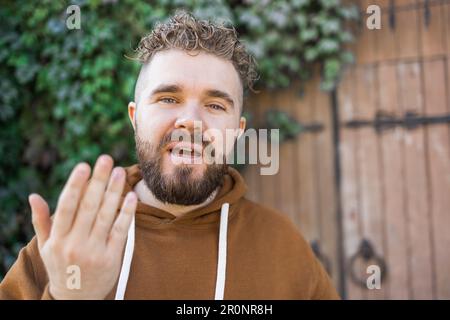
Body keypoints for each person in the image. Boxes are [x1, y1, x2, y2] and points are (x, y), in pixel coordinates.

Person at [0, 11, 339, 300]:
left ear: (237, 130)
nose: (191, 120)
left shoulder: (283, 246)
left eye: (215, 105)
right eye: (168, 98)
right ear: (135, 118)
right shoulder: (68, 244)